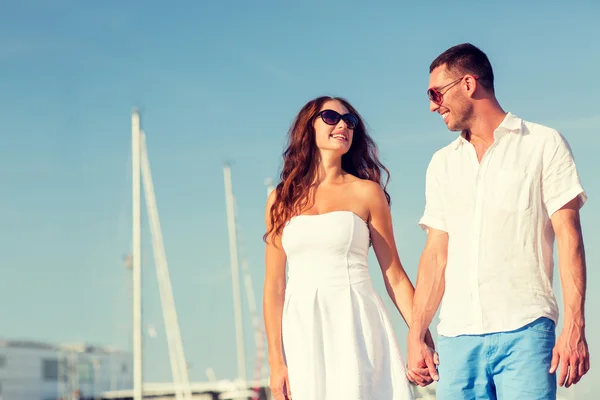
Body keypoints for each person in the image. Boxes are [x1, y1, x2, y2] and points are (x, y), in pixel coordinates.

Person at [406, 43, 590, 399]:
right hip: (457, 339)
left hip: (526, 331)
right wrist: (416, 334)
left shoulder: (543, 144)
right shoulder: (442, 164)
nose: (432, 105)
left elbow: (570, 238)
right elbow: (435, 256)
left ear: (469, 84)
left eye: (436, 92)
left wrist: (575, 325)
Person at [263, 96, 429, 400]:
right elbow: (274, 285)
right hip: (302, 328)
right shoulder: (280, 199)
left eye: (350, 121)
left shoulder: (367, 192)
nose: (342, 125)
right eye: (330, 117)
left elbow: (394, 275)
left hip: (356, 321)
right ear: (307, 128)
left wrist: (421, 336)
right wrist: (276, 361)